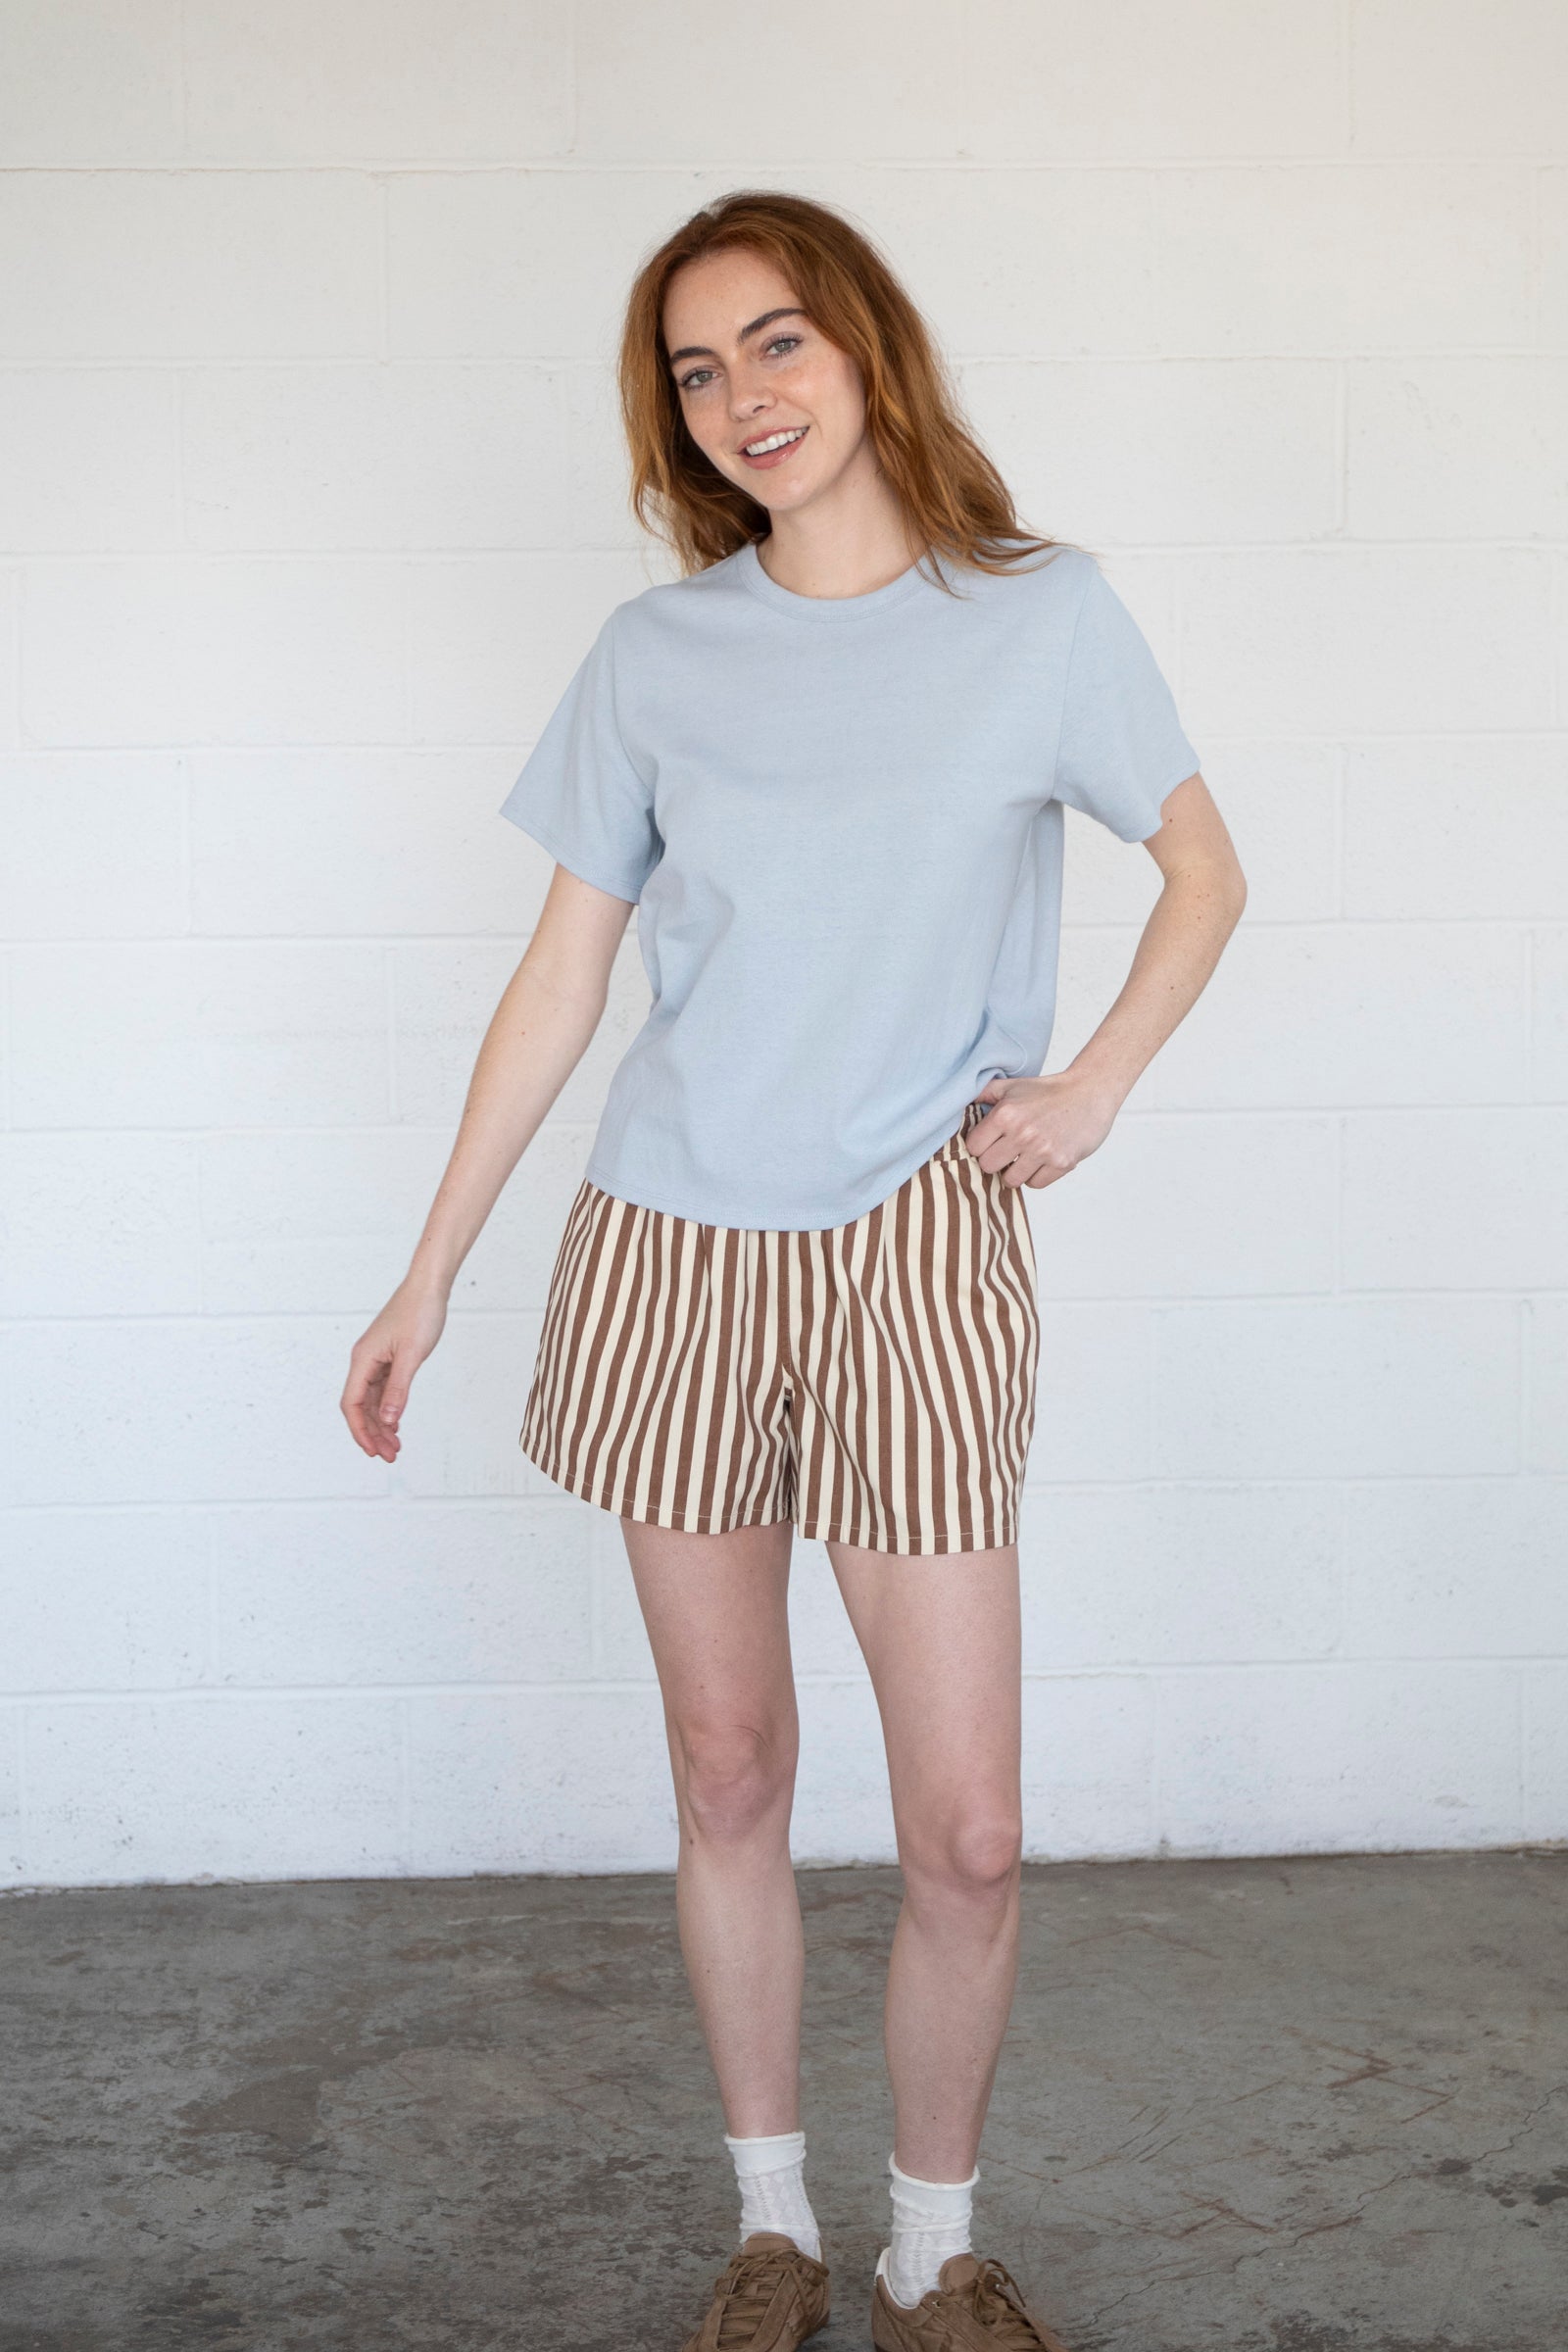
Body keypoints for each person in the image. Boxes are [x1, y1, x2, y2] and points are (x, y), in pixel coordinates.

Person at [342, 188, 1247, 2352]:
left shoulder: (1038, 616)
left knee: (971, 1827)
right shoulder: (656, 657)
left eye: (774, 342)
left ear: (863, 347)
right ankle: (774, 2230)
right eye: (694, 368)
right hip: (671, 1250)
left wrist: (1093, 1085)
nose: (740, 395)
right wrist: (427, 1268)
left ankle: (936, 2249)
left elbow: (1203, 872)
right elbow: (559, 985)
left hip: (917, 1248)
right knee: (730, 1765)